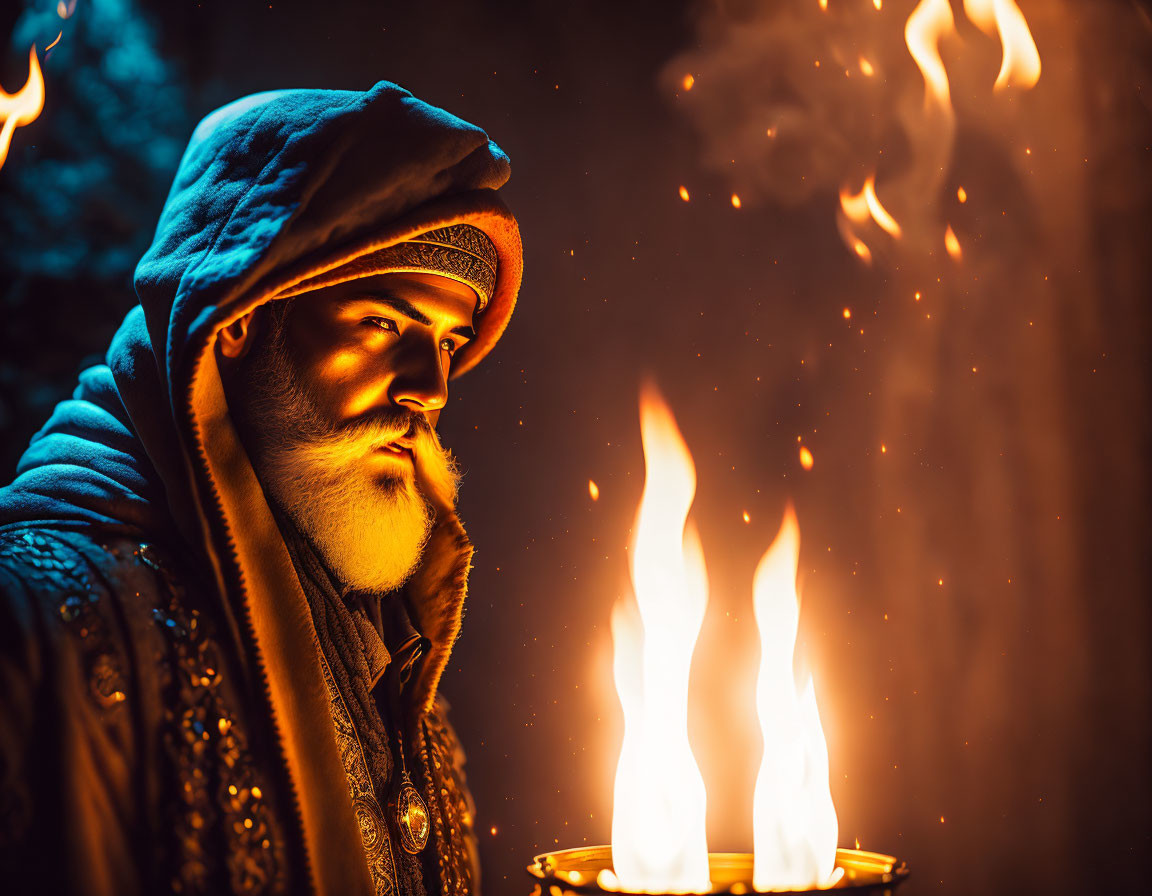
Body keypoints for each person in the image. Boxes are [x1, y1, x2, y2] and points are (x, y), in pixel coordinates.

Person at [0, 81, 522, 896]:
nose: (433, 388)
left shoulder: (384, 642)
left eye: (450, 343)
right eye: (384, 324)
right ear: (235, 322)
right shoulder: (36, 619)